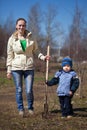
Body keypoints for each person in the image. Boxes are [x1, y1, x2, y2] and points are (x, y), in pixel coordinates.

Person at [6, 18, 49, 117]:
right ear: (16, 26)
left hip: (29, 67)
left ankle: (30, 108)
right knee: (19, 89)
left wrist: (43, 57)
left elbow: (36, 50)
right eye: (20, 25)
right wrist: (9, 70)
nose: (21, 27)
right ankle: (21, 109)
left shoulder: (31, 37)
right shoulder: (12, 39)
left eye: (23, 25)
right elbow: (9, 55)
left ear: (26, 26)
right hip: (16, 67)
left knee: (29, 90)